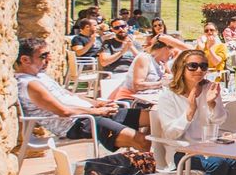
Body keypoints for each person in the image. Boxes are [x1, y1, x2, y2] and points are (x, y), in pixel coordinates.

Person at [157, 49, 236, 175]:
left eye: (203, 66)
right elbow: (171, 133)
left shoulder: (209, 89)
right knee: (217, 163)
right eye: (193, 66)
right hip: (182, 150)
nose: (199, 70)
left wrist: (212, 104)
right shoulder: (168, 96)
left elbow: (220, 120)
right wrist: (190, 110)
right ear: (181, 68)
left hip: (210, 146)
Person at [15, 38, 149, 151]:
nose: (49, 59)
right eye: (43, 56)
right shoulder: (30, 84)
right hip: (77, 123)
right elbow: (64, 111)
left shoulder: (40, 76)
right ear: (25, 60)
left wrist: (98, 103)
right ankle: (150, 174)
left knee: (152, 118)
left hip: (89, 114)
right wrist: (98, 111)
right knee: (140, 140)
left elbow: (69, 94)